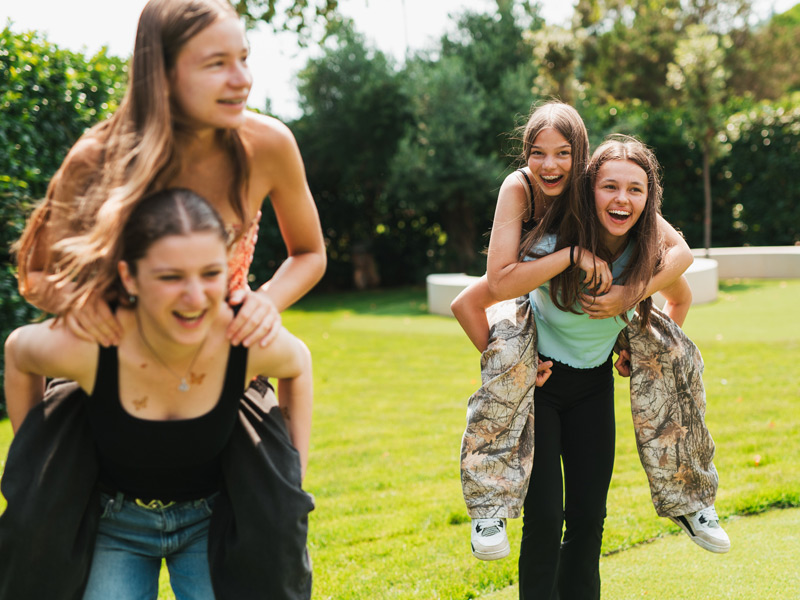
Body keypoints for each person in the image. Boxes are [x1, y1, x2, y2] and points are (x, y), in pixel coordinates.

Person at [10, 0, 326, 444]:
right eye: (217, 64)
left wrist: (265, 303)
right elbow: (35, 275)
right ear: (161, 73)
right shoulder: (96, 158)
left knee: (273, 503)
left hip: (221, 358)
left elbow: (310, 253)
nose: (242, 80)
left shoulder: (268, 145)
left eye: (244, 58)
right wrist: (76, 301)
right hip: (110, 366)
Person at [3, 188, 314, 599]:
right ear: (130, 276)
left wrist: (292, 471)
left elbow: (299, 363)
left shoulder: (243, 339)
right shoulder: (94, 344)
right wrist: (37, 450)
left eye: (210, 274)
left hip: (211, 519)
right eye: (170, 277)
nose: (194, 297)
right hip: (115, 522)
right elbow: (19, 352)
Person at [455, 104, 727, 564]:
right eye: (538, 153)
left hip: (594, 381)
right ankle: (489, 509)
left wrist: (628, 298)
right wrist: (573, 256)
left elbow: (679, 258)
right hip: (538, 350)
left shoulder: (616, 208)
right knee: (542, 516)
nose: (550, 165)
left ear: (580, 161)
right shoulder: (525, 199)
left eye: (563, 154)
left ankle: (691, 498)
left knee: (670, 348)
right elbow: (489, 287)